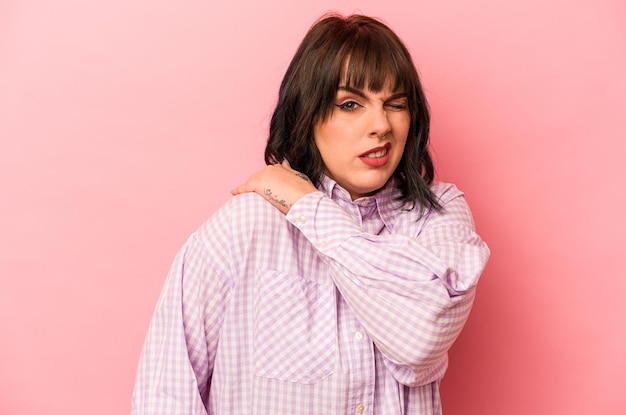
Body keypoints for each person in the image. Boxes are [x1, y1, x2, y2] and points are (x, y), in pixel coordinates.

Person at [131, 13, 489, 415]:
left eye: (396, 104)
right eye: (350, 104)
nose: (381, 125)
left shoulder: (438, 216)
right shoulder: (246, 227)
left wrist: (308, 208)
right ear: (308, 114)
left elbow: (419, 338)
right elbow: (164, 395)